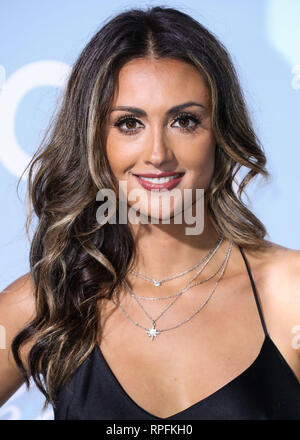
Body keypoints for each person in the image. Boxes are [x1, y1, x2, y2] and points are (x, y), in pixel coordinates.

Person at [0, 6, 299, 420]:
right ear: (93, 138)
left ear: (221, 132)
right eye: (128, 124)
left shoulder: (290, 293)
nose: (158, 154)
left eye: (184, 120)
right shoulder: (48, 301)